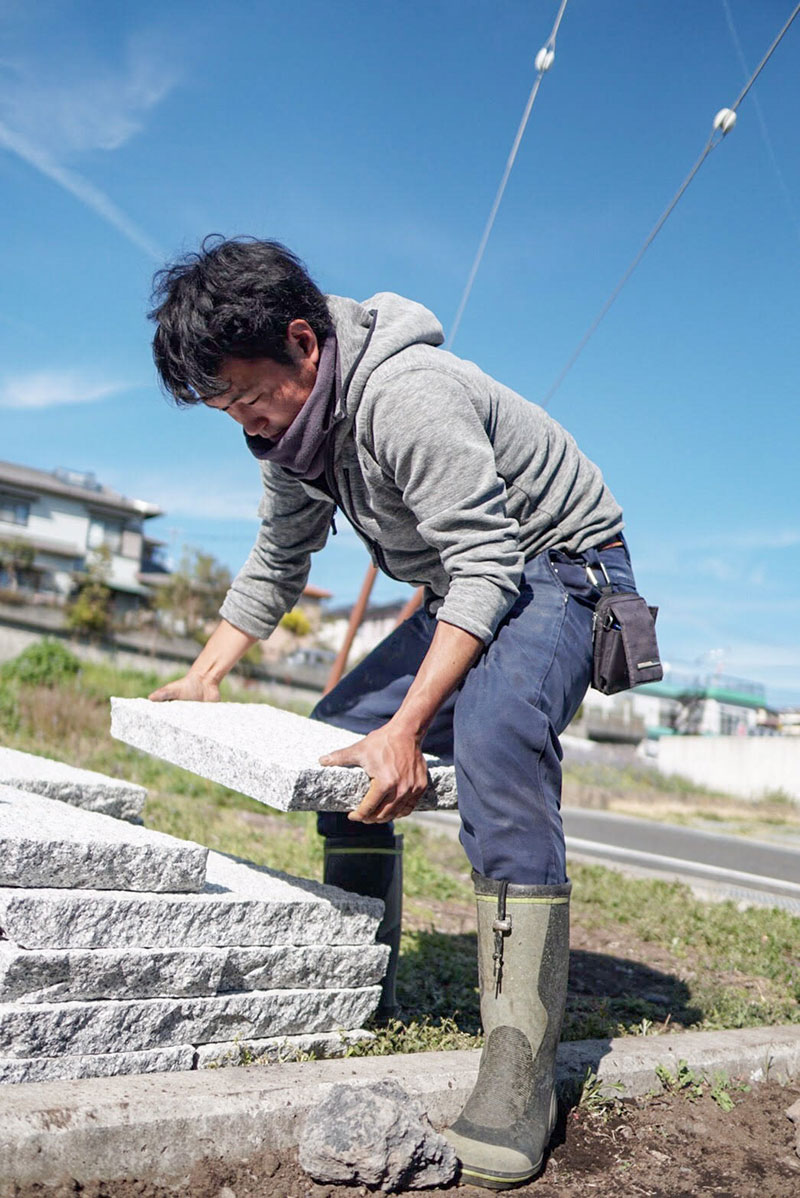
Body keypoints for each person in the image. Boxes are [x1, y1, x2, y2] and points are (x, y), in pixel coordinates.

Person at [148, 236, 636, 1190]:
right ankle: (362, 973)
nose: (243, 421)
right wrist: (205, 672)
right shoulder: (287, 436)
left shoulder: (404, 395)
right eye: (224, 408)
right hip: (472, 580)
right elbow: (278, 560)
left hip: (558, 569)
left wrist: (409, 725)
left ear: (303, 341)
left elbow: (494, 564)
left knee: (494, 742)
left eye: (248, 394)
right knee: (340, 745)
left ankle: (519, 1066)